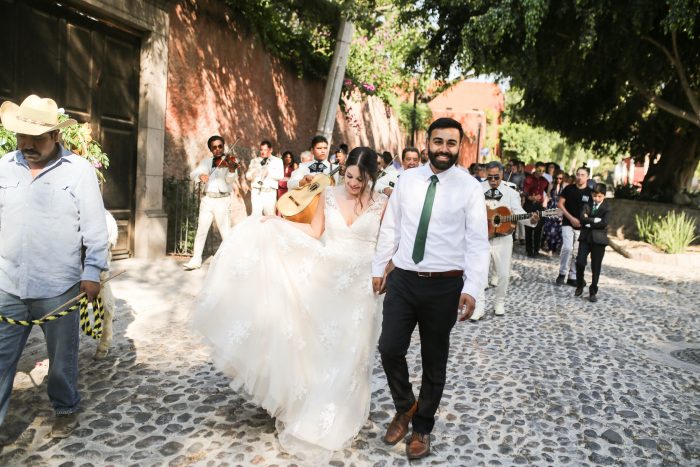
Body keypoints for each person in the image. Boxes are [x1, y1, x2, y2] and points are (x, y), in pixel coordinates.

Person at [191, 148, 388, 462]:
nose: (353, 183)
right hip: (328, 278)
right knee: (324, 347)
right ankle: (314, 405)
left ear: (371, 178)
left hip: (363, 287)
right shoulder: (330, 193)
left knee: (355, 350)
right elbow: (315, 230)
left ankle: (345, 409)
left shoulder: (383, 203)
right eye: (349, 176)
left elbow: (389, 244)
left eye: (360, 179)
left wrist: (385, 273)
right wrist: (276, 223)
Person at [371, 118, 489, 460]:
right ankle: (405, 406)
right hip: (405, 279)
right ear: (427, 143)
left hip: (445, 285)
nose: (444, 149)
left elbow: (478, 243)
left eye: (451, 144)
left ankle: (422, 427)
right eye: (438, 142)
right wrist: (380, 267)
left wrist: (473, 288)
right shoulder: (407, 180)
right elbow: (391, 227)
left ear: (460, 146)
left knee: (434, 361)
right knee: (389, 347)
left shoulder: (469, 188)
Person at [0, 95, 109, 438]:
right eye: (22, 136)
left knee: (62, 361)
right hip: (8, 285)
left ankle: (65, 405)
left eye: (38, 137)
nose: (28, 144)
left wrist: (92, 272)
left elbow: (94, 228)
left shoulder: (78, 172)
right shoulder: (3, 166)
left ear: (56, 136)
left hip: (58, 287)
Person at [471, 162, 538, 320]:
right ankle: (479, 306)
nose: (493, 179)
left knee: (503, 274)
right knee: (480, 273)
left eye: (496, 176)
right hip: (483, 238)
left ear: (502, 174)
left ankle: (499, 303)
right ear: (486, 174)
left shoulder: (511, 193)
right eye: (490, 176)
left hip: (504, 238)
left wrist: (532, 220)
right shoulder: (477, 190)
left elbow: (519, 213)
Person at [183, 136, 238, 270]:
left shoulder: (230, 161)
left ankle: (232, 260)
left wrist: (231, 170)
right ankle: (196, 260)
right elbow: (192, 174)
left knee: (225, 231)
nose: (218, 149)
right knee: (201, 230)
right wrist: (200, 176)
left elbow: (230, 181)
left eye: (220, 146)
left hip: (222, 200)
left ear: (223, 146)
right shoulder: (206, 162)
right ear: (211, 149)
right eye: (214, 147)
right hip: (207, 200)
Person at [556, 167, 593, 286]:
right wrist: (571, 218)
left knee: (577, 252)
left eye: (582, 175)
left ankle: (572, 276)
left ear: (587, 177)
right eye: (578, 174)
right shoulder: (568, 189)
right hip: (567, 223)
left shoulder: (590, 193)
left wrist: (584, 221)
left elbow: (591, 211)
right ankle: (562, 273)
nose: (579, 177)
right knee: (567, 248)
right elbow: (560, 204)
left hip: (581, 227)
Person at [575, 183, 610, 302]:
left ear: (604, 196)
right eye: (595, 196)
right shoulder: (587, 204)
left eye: (599, 196)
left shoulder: (607, 207)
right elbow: (582, 218)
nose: (596, 198)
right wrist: (594, 220)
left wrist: (589, 221)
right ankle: (580, 283)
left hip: (599, 240)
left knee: (596, 266)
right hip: (585, 237)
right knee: (580, 261)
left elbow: (604, 223)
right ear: (592, 194)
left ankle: (593, 291)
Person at [246, 140, 284, 216]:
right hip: (256, 192)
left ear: (271, 150)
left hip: (269, 192)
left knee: (269, 216)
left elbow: (280, 176)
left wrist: (269, 172)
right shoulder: (254, 161)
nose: (263, 152)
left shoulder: (278, 161)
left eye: (265, 150)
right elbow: (248, 176)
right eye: (261, 149)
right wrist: (253, 173)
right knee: (255, 216)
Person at [522, 161, 548, 257]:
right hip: (529, 205)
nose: (541, 172)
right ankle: (529, 251)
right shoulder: (529, 179)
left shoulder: (545, 180)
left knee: (538, 229)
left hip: (539, 206)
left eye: (543, 170)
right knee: (529, 228)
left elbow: (549, 191)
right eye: (539, 170)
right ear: (535, 169)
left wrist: (546, 198)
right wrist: (532, 198)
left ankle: (536, 250)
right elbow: (525, 193)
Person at [542, 169, 565, 253]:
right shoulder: (551, 184)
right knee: (549, 228)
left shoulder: (564, 186)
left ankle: (555, 247)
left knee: (558, 228)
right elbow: (548, 195)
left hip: (559, 208)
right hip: (551, 207)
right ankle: (550, 248)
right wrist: (544, 204)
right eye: (557, 178)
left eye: (560, 178)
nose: (558, 180)